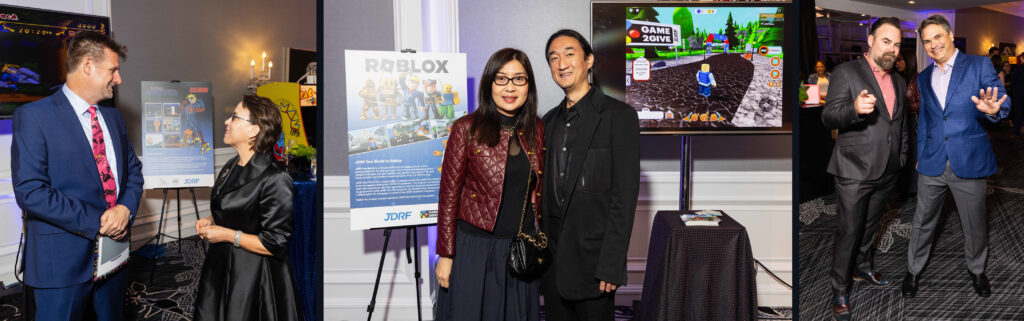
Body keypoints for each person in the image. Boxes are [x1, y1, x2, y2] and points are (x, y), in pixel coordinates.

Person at [11, 31, 144, 321]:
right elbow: (31, 191)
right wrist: (98, 221)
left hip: (114, 257)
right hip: (61, 264)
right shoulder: (34, 116)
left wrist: (125, 209)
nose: (118, 79)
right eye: (113, 70)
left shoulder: (114, 117)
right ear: (87, 66)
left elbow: (133, 171)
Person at [903, 14, 1009, 299]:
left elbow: (1000, 99)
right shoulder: (924, 77)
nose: (933, 45)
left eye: (938, 37)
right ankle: (913, 270)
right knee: (922, 220)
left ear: (950, 35)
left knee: (974, 223)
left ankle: (976, 270)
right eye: (927, 41)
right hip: (932, 162)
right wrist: (921, 154)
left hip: (969, 160)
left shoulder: (978, 65)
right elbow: (924, 120)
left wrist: (994, 110)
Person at [434, 48, 545, 320]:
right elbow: (449, 196)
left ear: (528, 85)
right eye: (501, 79)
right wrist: (446, 255)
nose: (510, 87)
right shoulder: (466, 128)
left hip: (518, 251)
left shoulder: (538, 129)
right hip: (473, 250)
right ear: (489, 84)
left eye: (519, 79)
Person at [541, 29, 640, 321]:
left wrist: (611, 264)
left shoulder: (618, 117)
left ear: (589, 61)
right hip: (553, 265)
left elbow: (624, 197)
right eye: (553, 58)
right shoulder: (547, 122)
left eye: (570, 54)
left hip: (595, 266)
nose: (562, 63)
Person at [820, 17, 908, 321]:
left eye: (897, 44)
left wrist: (903, 155)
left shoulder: (898, 80)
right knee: (848, 230)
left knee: (871, 227)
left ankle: (863, 267)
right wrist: (854, 110)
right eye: (886, 41)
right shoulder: (847, 72)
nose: (893, 49)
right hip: (854, 170)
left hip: (888, 169)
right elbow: (829, 116)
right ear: (870, 41)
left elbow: (900, 124)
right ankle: (839, 289)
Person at [194, 95, 301, 320]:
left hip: (252, 277)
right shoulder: (232, 164)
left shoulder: (276, 179)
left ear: (253, 130)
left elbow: (275, 243)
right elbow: (236, 209)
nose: (227, 122)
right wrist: (211, 220)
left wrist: (226, 234)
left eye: (234, 117)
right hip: (220, 265)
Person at [897, 50, 921, 193]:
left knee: (913, 155)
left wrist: (903, 105)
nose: (897, 63)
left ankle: (913, 188)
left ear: (909, 61)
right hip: (902, 120)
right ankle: (905, 186)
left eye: (901, 60)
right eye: (897, 60)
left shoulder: (917, 79)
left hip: (913, 120)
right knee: (903, 153)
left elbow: (922, 104)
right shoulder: (900, 78)